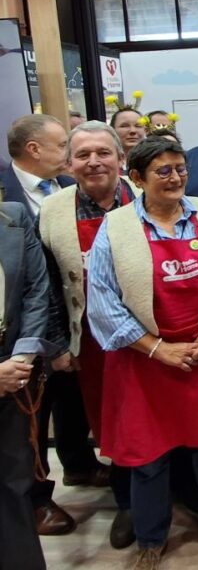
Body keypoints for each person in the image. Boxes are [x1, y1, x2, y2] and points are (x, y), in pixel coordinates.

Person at [87, 137, 198, 568]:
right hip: (145, 364)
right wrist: (158, 349)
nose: (177, 177)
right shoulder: (118, 227)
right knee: (148, 459)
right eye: (164, 171)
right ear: (138, 178)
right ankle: (151, 539)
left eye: (180, 168)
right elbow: (103, 302)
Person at [39, 121, 140, 548]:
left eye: (103, 152)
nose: (93, 162)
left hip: (151, 334)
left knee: (157, 417)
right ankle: (130, 503)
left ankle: (177, 491)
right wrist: (59, 345)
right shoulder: (52, 211)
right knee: (112, 425)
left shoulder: (146, 196)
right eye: (82, 155)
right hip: (94, 344)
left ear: (121, 159)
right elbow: (45, 288)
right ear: (68, 163)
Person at [0, 114, 93, 537]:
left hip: (68, 319)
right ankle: (37, 500)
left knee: (71, 401)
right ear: (34, 149)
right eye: (63, 146)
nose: (70, 154)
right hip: (21, 331)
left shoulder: (69, 189)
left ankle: (80, 465)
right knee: (33, 422)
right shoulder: (7, 194)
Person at [0, 199, 51, 570]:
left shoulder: (13, 216)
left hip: (14, 370)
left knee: (14, 482)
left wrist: (22, 358)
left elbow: (36, 290)